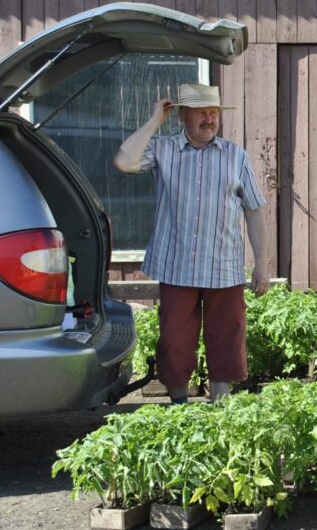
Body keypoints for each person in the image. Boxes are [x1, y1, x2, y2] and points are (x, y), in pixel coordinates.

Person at [114, 83, 270, 405]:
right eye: (201, 112)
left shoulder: (235, 156)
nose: (209, 119)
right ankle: (179, 407)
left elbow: (254, 211)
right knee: (174, 341)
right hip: (177, 264)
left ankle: (222, 408)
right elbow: (124, 162)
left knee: (227, 337)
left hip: (223, 266)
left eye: (213, 112)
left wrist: (262, 266)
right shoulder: (163, 149)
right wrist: (154, 120)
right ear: (183, 115)